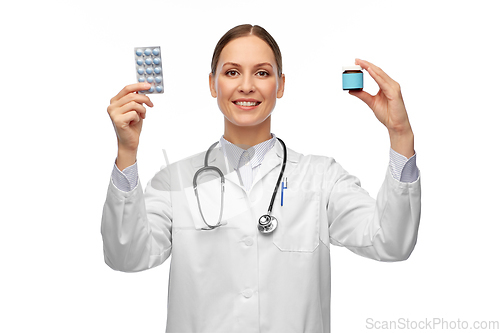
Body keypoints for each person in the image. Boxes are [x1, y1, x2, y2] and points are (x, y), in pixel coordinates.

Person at [102, 24, 421, 333]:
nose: (246, 86)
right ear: (213, 84)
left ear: (280, 85)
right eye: (231, 72)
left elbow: (390, 242)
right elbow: (126, 256)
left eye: (262, 72)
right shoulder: (176, 180)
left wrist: (400, 134)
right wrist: (127, 151)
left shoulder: (321, 177)